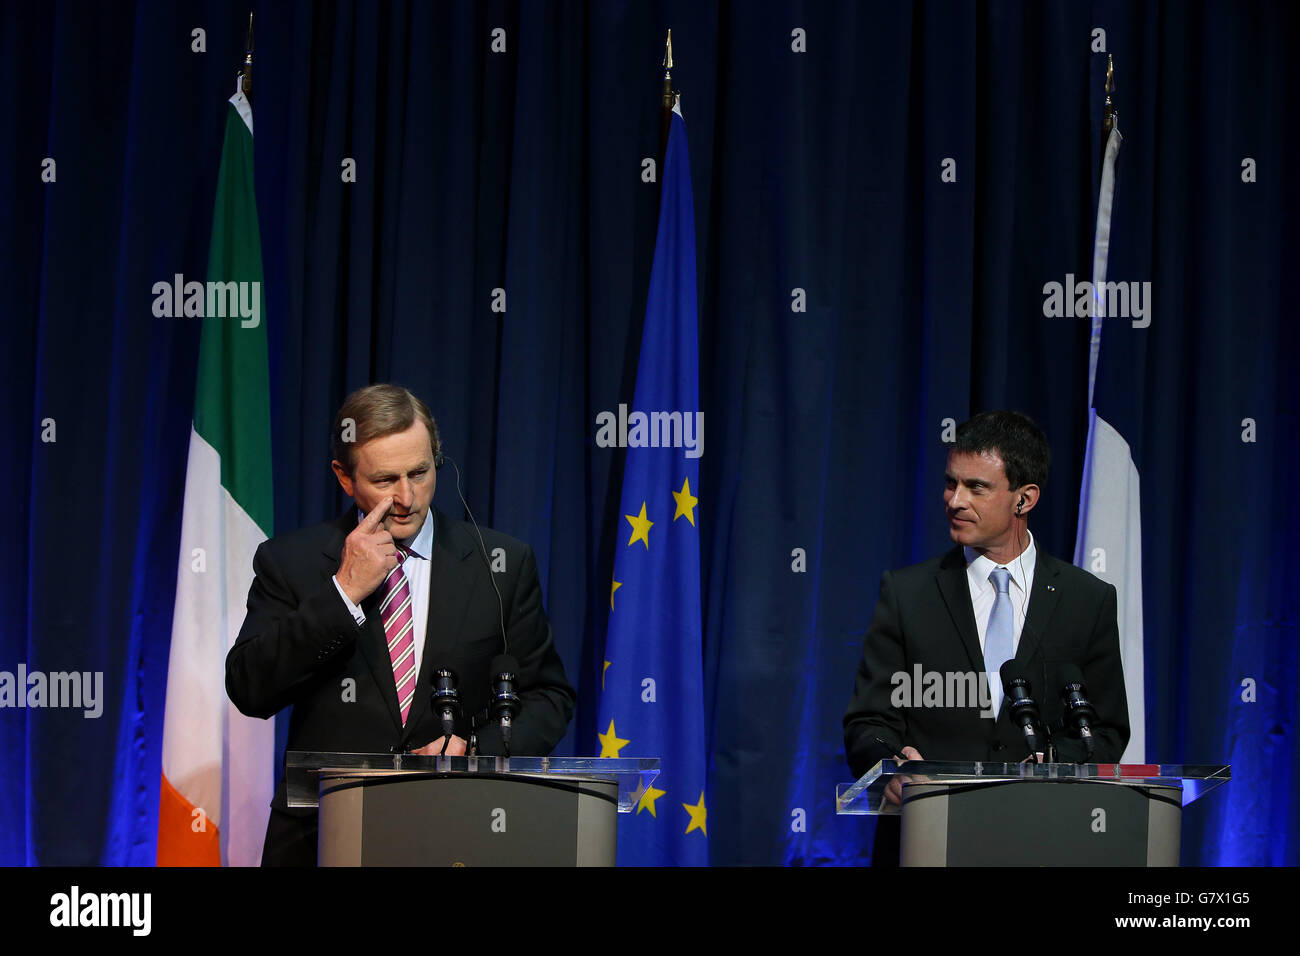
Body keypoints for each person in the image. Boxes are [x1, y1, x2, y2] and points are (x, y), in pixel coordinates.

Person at [226, 384, 575, 866]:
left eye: (420, 472)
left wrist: (475, 748)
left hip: (460, 835)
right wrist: (343, 591)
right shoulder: (292, 563)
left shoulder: (502, 564)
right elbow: (249, 688)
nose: (407, 498)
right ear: (344, 478)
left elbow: (548, 697)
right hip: (322, 839)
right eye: (385, 479)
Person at [842, 411, 1129, 861]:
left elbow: (1107, 730)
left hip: (1046, 840)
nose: (955, 500)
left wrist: (1049, 762)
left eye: (976, 487)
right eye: (951, 483)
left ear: (1024, 499)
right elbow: (868, 723)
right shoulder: (907, 593)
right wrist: (894, 764)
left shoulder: (1086, 600)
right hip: (927, 840)